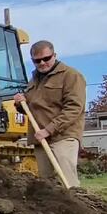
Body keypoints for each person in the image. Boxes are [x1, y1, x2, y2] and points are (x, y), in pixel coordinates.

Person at [14, 40, 86, 188]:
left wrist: (49, 130)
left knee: (67, 181)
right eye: (37, 60)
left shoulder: (71, 76)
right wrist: (20, 103)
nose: (42, 63)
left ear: (54, 55)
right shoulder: (34, 79)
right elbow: (32, 107)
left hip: (63, 137)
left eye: (46, 58)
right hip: (40, 139)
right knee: (47, 185)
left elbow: (73, 108)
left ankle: (76, 210)